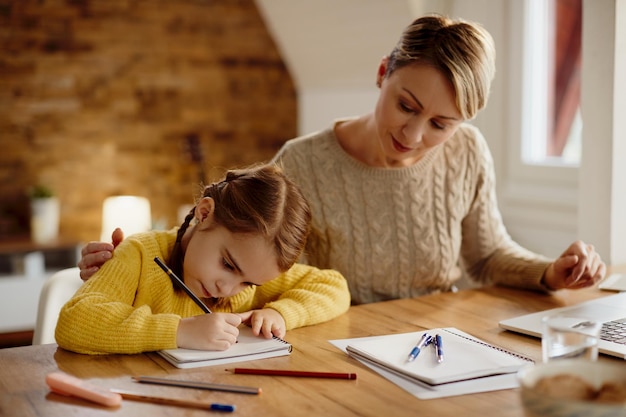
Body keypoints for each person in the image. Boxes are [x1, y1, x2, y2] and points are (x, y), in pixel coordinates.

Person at [77, 15, 605, 306]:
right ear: (382, 73)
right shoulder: (305, 163)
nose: (414, 135)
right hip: (340, 343)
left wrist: (549, 272)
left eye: (441, 125)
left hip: (441, 342)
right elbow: (235, 241)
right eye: (406, 105)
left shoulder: (468, 154)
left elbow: (486, 257)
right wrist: (136, 259)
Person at [56, 164, 350, 355]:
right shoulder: (141, 255)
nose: (228, 288)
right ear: (205, 213)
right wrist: (179, 331)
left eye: (248, 282)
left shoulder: (250, 273)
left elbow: (334, 286)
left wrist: (282, 313)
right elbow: (75, 323)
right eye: (227, 265)